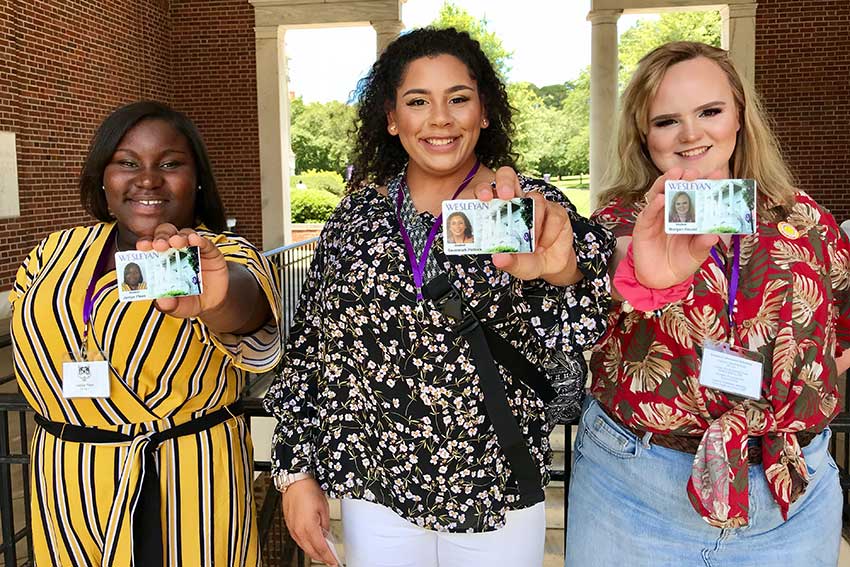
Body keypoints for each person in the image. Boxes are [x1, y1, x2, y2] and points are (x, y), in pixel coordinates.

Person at [264, 27, 614, 567]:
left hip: (494, 478)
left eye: (458, 98)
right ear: (391, 118)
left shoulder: (526, 207)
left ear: (485, 112)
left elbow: (581, 327)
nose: (440, 118)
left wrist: (564, 272)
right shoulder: (356, 220)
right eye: (417, 102)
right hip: (379, 482)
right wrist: (294, 471)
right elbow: (315, 349)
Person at [566, 41, 850, 566]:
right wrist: (641, 278)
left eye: (709, 112)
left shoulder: (804, 219)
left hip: (787, 488)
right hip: (639, 488)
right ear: (643, 135)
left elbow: (842, 319)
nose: (691, 134)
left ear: (739, 114)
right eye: (667, 120)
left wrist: (805, 384)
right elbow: (593, 284)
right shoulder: (619, 225)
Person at [9, 101, 282, 567]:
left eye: (170, 164)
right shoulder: (55, 251)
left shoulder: (218, 253)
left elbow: (246, 305)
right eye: (127, 163)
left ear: (196, 178)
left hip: (183, 478)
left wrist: (216, 300)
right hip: (69, 478)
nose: (148, 179)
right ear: (103, 176)